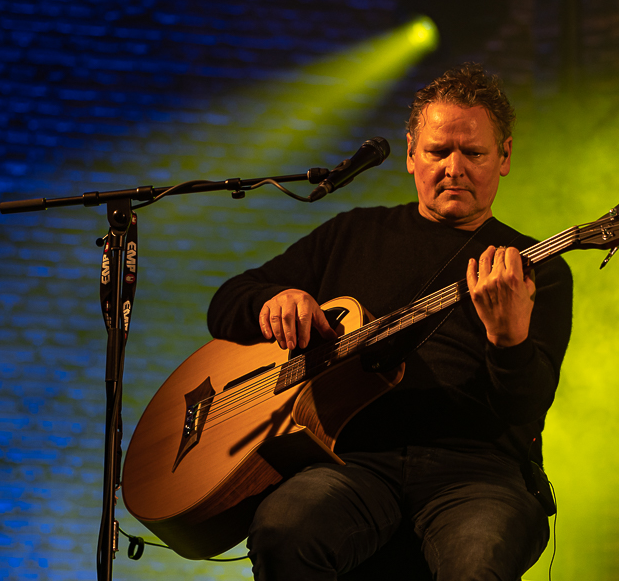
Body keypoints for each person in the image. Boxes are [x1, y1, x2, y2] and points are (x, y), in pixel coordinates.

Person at [207, 63, 573, 581]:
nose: (454, 168)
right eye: (438, 151)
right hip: (352, 462)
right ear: (410, 153)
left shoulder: (537, 267)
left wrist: (507, 338)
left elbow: (527, 408)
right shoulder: (352, 233)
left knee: (479, 562)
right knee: (283, 529)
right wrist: (273, 300)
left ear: (505, 156)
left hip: (477, 476)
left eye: (473, 153)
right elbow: (224, 304)